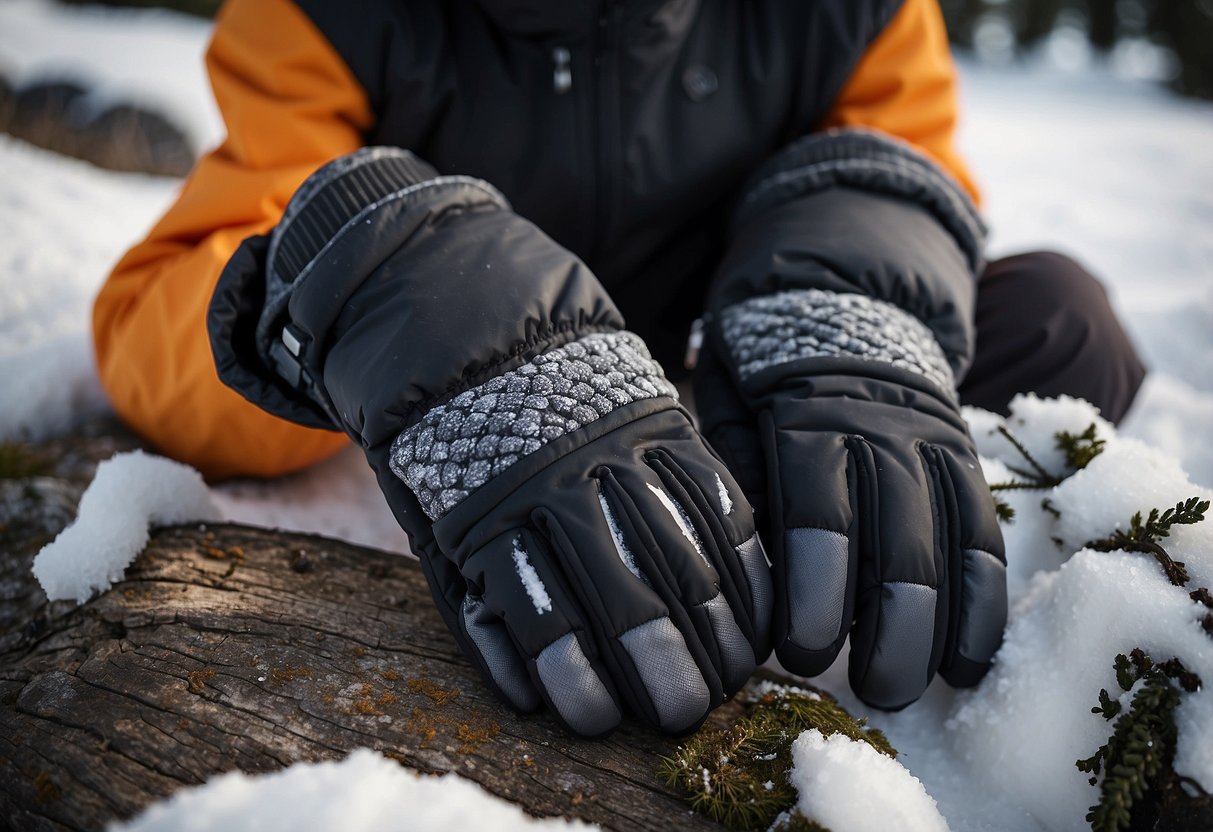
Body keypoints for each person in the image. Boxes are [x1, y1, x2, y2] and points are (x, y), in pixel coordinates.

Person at [93, 0, 1146, 737]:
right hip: (472, 393)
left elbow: (892, 154)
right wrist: (385, 287)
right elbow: (164, 323)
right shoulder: (330, 12)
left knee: (1060, 330)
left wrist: (843, 295)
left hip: (721, 363)